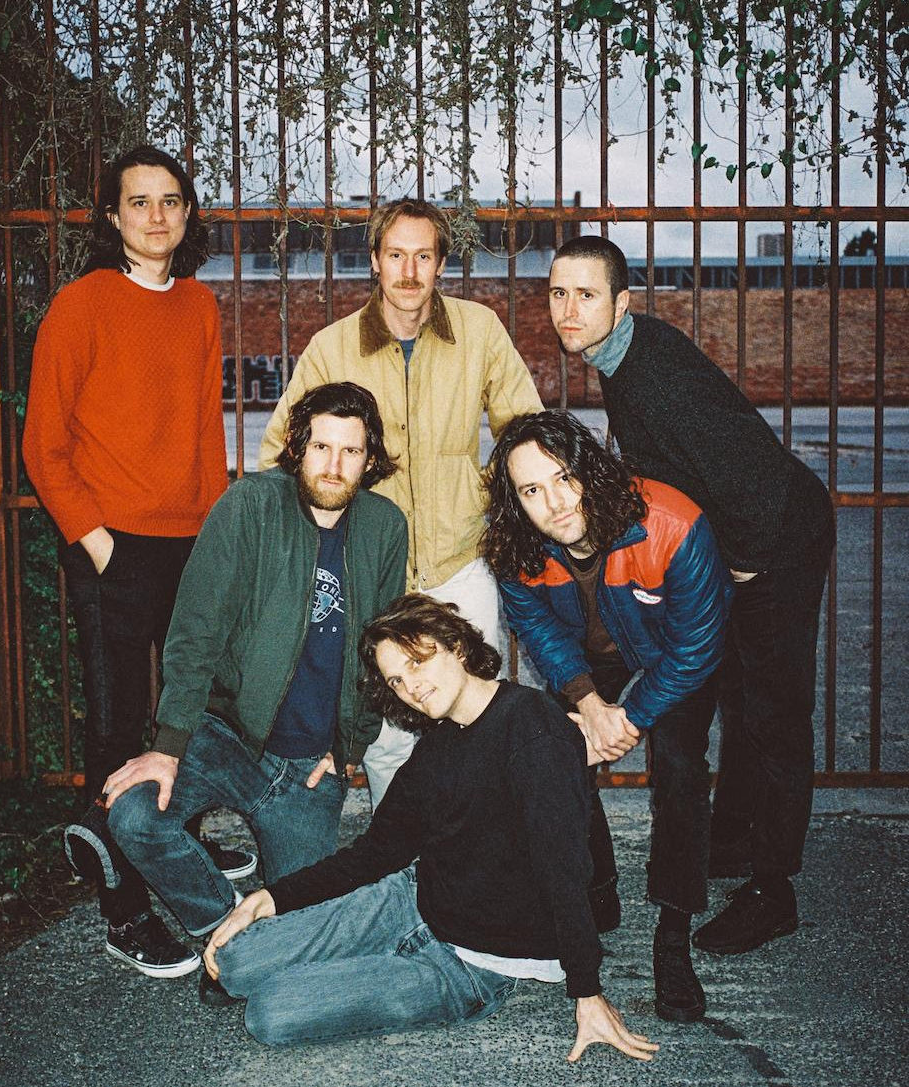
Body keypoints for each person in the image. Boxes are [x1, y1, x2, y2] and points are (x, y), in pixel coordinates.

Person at [199, 595, 658, 1064]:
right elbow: (376, 852)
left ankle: (355, 969)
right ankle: (344, 955)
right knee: (235, 963)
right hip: (415, 900)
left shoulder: (531, 726)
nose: (410, 687)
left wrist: (587, 991)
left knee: (271, 1014)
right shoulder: (439, 745)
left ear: (456, 647)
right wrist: (272, 898)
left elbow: (563, 866)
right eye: (396, 679)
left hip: (474, 963)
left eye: (418, 662)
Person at [547, 235, 835, 956]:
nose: (568, 310)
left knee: (773, 711)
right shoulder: (620, 354)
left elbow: (745, 477)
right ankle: (733, 841)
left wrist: (736, 571)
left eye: (586, 295)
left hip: (776, 535)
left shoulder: (653, 372)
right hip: (744, 531)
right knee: (736, 692)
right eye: (558, 293)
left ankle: (775, 889)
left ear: (621, 302)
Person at [23, 144, 254, 978]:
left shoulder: (198, 305)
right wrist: (96, 540)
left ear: (187, 215)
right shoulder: (80, 306)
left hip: (188, 540)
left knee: (181, 712)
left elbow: (201, 432)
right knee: (119, 723)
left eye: (171, 201)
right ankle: (121, 903)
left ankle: (172, 840)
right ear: (113, 217)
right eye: (139, 202)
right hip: (110, 544)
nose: (157, 215)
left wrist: (214, 532)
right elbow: (42, 445)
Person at [100, 382, 408, 974]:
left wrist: (351, 748)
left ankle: (260, 942)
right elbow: (195, 629)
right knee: (134, 816)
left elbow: (382, 646)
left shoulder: (384, 527)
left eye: (350, 451)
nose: (334, 465)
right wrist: (168, 748)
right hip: (227, 737)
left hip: (308, 774)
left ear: (370, 459)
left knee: (300, 942)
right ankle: (223, 927)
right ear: (298, 446)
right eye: (321, 447)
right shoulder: (250, 506)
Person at [258, 198, 543, 805]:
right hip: (372, 570)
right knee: (388, 733)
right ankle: (403, 861)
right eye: (396, 255)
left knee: (471, 714)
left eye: (423, 256)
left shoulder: (479, 330)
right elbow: (282, 450)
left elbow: (526, 430)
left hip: (460, 564)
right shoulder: (333, 348)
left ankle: (471, 857)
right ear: (375, 262)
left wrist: (479, 487)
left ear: (442, 263)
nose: (409, 271)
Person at [483, 410, 732, 1022]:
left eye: (564, 478)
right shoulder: (512, 543)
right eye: (532, 490)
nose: (555, 503)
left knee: (679, 767)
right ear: (514, 500)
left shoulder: (672, 521)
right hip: (590, 665)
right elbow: (537, 627)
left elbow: (698, 645)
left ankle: (672, 936)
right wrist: (589, 706)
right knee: (556, 747)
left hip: (669, 657)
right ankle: (597, 892)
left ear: (590, 469)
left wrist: (630, 719)